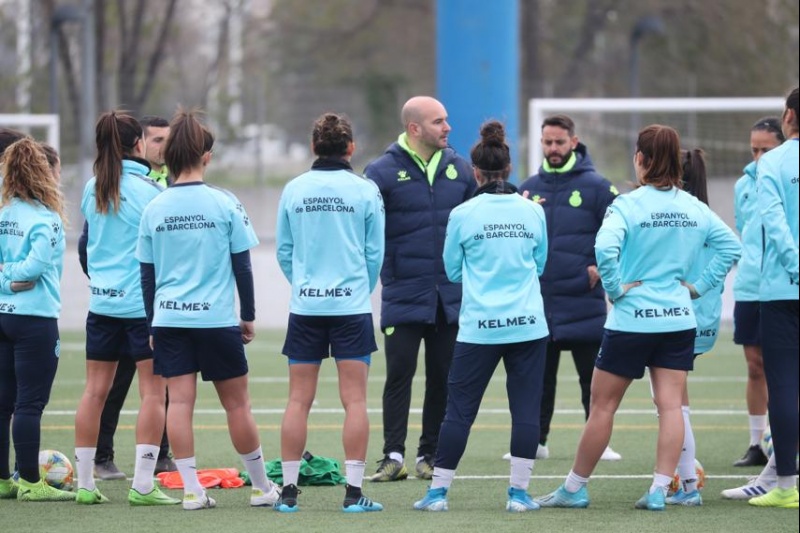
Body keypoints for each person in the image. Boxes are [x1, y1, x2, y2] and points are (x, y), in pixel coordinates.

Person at [534, 124, 740, 511]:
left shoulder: (628, 205)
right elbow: (731, 246)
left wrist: (614, 289)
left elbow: (604, 247)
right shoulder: (693, 206)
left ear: (641, 160)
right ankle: (663, 490)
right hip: (678, 319)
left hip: (632, 320)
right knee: (671, 407)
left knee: (603, 407)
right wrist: (696, 287)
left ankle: (575, 488)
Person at [137, 108, 279, 511]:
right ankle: (260, 487)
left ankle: (191, 491)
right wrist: (247, 315)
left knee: (178, 405)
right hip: (216, 320)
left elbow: (147, 276)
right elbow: (242, 266)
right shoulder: (225, 202)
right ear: (206, 157)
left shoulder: (155, 207)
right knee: (237, 405)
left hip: (168, 319)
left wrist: (151, 322)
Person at [412, 121, 549, 513]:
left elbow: (452, 271)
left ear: (475, 172)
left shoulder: (462, 214)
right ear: (508, 169)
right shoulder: (532, 211)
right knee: (525, 410)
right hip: (527, 325)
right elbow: (540, 263)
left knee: (459, 411)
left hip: (479, 328)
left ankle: (438, 494)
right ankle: (519, 495)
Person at [274, 112, 385, 513]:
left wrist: (305, 283)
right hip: (351, 306)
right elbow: (375, 253)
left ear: (313, 147)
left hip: (306, 305)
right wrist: (358, 288)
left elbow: (284, 251)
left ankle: (288, 493)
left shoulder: (294, 188)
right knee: (354, 400)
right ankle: (353, 494)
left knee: (297, 400)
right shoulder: (365, 189)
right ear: (351, 148)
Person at [364, 96, 475, 481]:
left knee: (442, 377)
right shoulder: (379, 172)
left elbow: (473, 232)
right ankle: (392, 456)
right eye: (439, 121)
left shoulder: (461, 170)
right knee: (399, 376)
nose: (447, 127)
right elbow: (367, 232)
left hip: (450, 298)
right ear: (415, 128)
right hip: (403, 294)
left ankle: (428, 455)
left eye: (446, 119)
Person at [73, 110, 178, 507]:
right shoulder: (152, 192)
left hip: (101, 303)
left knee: (93, 392)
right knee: (154, 394)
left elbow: (88, 246)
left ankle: (85, 485)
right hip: (142, 309)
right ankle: (144, 485)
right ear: (138, 145)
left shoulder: (91, 186)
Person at [516, 114, 621, 461]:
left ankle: (599, 441)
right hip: (541, 302)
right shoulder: (528, 188)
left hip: (583, 301)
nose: (553, 148)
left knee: (593, 380)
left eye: (560, 142)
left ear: (574, 142)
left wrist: (600, 269)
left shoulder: (598, 188)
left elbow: (619, 237)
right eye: (547, 142)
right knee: (538, 380)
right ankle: (537, 441)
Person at [0, 138, 74, 502]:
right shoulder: (46, 219)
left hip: (1, 314)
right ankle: (30, 481)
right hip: (34, 319)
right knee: (29, 403)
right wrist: (14, 278)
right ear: (44, 172)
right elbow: (32, 269)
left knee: (2, 402)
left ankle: (2, 480)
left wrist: (3, 278)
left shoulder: (3, 213)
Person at [661, 149, 730, 507]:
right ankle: (683, 471)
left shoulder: (679, 218)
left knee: (672, 402)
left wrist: (695, 287)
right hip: (703, 321)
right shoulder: (708, 216)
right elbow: (729, 252)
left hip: (676, 318)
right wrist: (706, 286)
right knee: (677, 398)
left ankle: (686, 478)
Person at [746, 87, 799, 509]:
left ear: (788, 118)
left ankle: (786, 485)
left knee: (782, 386)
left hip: (783, 290)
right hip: (783, 288)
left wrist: (796, 266)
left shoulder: (772, 164)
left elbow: (775, 224)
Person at [730, 117, 785, 468]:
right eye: (754, 149)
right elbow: (743, 228)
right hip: (750, 286)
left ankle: (785, 438)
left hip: (784, 286)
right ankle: (757, 443)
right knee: (755, 366)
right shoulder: (743, 185)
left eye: (767, 149)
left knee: (786, 366)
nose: (759, 156)